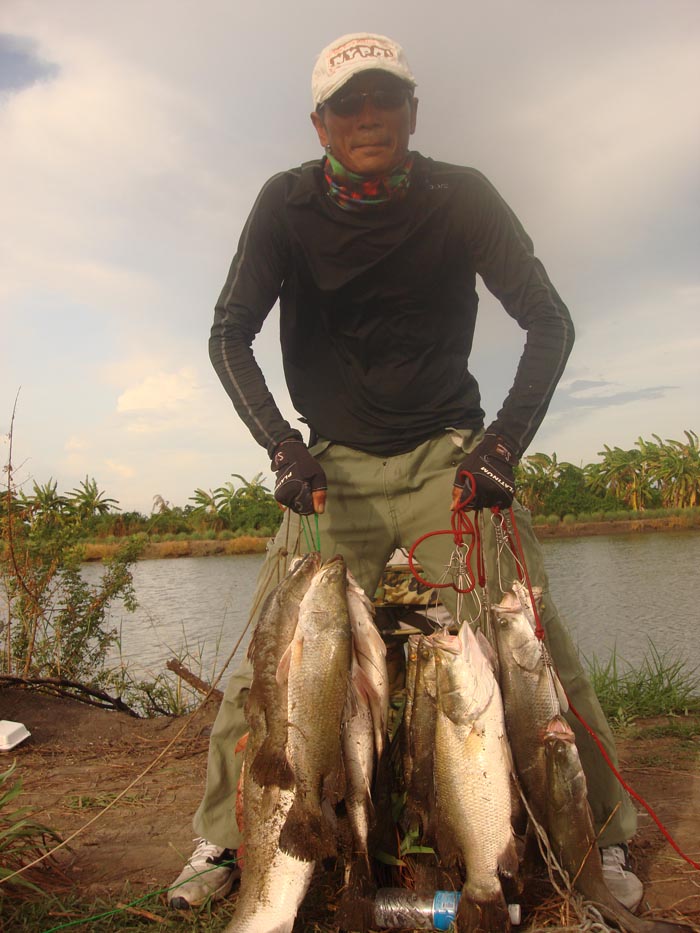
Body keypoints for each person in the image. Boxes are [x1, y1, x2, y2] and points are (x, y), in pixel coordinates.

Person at [168, 32, 642, 913]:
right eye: (349, 105)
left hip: (449, 458)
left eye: (384, 100)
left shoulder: (461, 197)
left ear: (412, 113)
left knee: (530, 643)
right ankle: (228, 840)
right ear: (321, 124)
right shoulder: (286, 204)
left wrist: (503, 447)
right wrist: (281, 444)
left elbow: (549, 319)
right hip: (330, 466)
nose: (368, 117)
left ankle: (599, 834)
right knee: (276, 658)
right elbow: (228, 330)